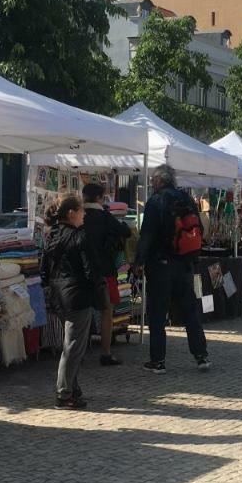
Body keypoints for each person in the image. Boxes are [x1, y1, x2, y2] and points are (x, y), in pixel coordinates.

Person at [134, 164, 209, 374]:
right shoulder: (187, 200)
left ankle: (158, 361)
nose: (151, 183)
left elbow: (147, 234)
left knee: (158, 313)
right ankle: (201, 356)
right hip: (184, 264)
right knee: (190, 312)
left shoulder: (156, 201)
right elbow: (199, 230)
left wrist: (139, 261)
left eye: (152, 180)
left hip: (161, 265)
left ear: (159, 180)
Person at [41, 194, 100, 410]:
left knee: (72, 343)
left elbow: (44, 269)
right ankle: (63, 393)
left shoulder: (52, 235)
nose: (84, 214)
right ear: (71, 213)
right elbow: (90, 269)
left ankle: (73, 390)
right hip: (76, 294)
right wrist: (95, 288)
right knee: (73, 346)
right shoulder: (79, 236)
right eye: (82, 210)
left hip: (58, 294)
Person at [81, 182, 132, 366]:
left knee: (80, 312)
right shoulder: (104, 216)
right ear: (98, 198)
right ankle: (106, 352)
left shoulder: (79, 215)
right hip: (104, 270)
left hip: (81, 271)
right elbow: (125, 232)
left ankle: (76, 352)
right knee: (107, 312)